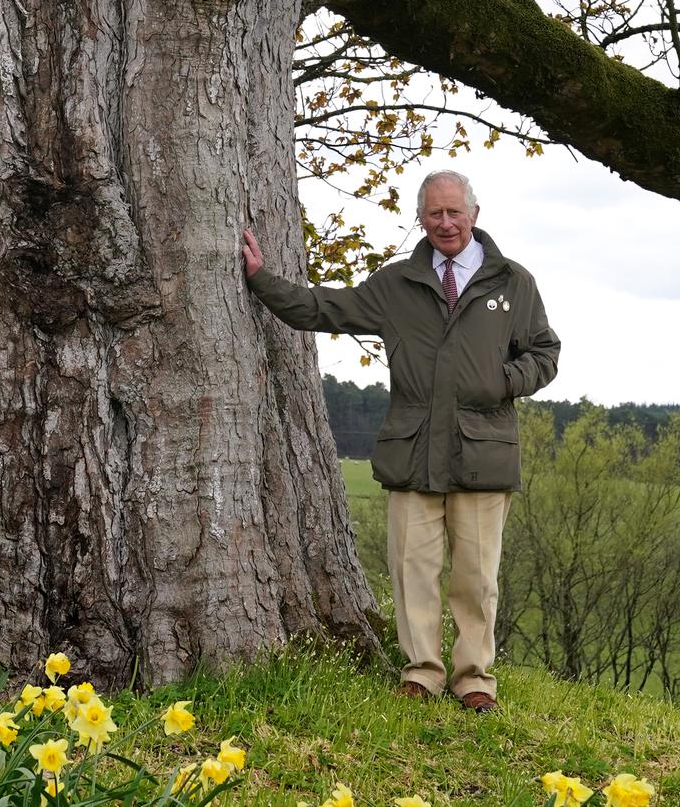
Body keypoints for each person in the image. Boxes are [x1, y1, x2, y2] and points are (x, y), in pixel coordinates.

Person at [239, 168, 559, 712]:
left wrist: (504, 381)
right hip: (411, 452)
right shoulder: (398, 283)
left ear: (475, 215)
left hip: (483, 452)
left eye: (455, 212)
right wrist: (263, 281)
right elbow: (325, 309)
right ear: (421, 218)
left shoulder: (513, 282)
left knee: (477, 577)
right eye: (435, 213)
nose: (445, 222)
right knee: (412, 570)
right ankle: (423, 672)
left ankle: (474, 678)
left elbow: (545, 353)